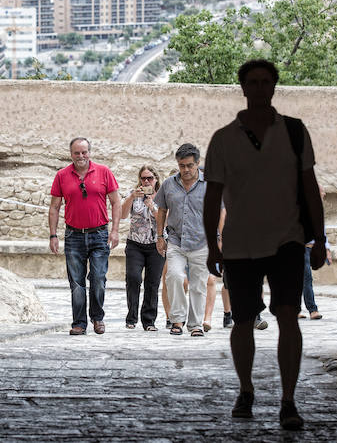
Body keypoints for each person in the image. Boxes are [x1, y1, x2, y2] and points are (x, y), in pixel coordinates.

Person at [203, 59, 326, 430]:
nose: (259, 88)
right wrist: (213, 244)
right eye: (252, 82)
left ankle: (289, 400)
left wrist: (319, 238)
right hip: (240, 243)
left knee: (288, 315)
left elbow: (310, 187)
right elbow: (213, 197)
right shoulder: (223, 140)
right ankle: (246, 389)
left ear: (273, 87)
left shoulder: (293, 131)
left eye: (265, 82)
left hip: (287, 239)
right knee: (242, 320)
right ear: (242, 88)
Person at [49, 137, 121, 336]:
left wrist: (115, 231)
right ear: (71, 154)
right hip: (73, 236)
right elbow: (54, 207)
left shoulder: (104, 172)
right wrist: (53, 235)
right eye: (76, 153)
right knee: (77, 282)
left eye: (84, 152)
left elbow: (116, 202)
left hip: (99, 234)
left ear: (90, 152)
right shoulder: (62, 175)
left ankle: (97, 318)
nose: (81, 156)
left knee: (98, 278)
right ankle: (79, 322)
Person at [155, 143, 212, 338]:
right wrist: (160, 236)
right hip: (176, 241)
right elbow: (161, 210)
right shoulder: (168, 184)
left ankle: (195, 325)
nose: (185, 170)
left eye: (189, 165)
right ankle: (177, 320)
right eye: (182, 165)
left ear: (197, 163)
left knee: (198, 284)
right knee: (174, 277)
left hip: (201, 242)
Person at [120, 165, 164, 331]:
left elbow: (164, 220)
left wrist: (151, 205)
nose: (146, 181)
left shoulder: (163, 196)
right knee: (133, 278)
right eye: (143, 178)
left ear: (156, 179)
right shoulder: (133, 194)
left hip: (156, 245)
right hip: (135, 244)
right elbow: (123, 215)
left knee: (152, 283)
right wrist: (131, 197)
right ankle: (131, 317)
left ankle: (149, 321)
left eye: (149, 178)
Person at [299, 185, 331, 320]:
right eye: (322, 191)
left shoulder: (317, 209)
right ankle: (312, 310)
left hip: (311, 247)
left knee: (303, 279)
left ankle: (299, 309)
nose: (324, 194)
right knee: (306, 278)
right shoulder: (303, 207)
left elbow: (322, 230)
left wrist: (327, 249)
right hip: (302, 247)